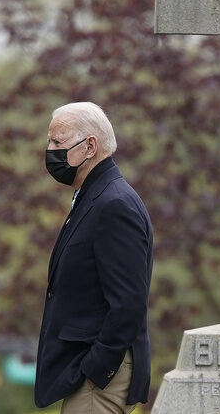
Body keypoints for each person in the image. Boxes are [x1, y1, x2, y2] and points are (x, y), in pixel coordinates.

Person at [34, 102, 153, 413]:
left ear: (90, 146)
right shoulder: (95, 198)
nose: (50, 150)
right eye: (50, 141)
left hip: (100, 380)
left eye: (58, 142)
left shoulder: (114, 205)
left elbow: (129, 302)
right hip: (90, 376)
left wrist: (96, 369)